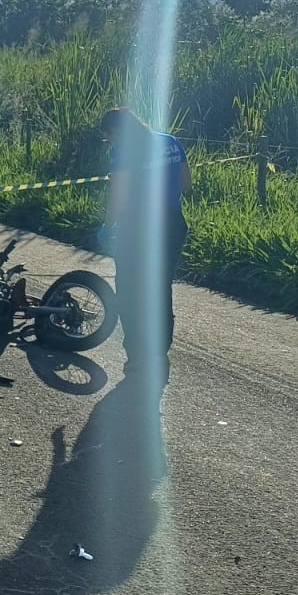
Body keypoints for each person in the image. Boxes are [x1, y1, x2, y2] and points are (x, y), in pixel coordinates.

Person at [100, 107, 191, 390]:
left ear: (115, 132)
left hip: (138, 227)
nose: (109, 143)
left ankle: (138, 356)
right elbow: (186, 185)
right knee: (161, 287)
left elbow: (120, 196)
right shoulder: (171, 142)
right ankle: (159, 351)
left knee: (128, 290)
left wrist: (108, 225)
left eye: (108, 138)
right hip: (173, 224)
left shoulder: (122, 152)